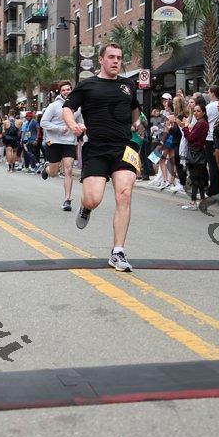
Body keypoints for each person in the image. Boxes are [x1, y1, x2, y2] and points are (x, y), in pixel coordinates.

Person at [62, 42, 141, 272]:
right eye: (111, 57)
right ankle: (85, 207)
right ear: (101, 59)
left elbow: (134, 108)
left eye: (119, 57)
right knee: (93, 199)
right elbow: (68, 108)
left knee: (124, 195)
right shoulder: (87, 85)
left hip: (123, 147)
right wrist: (73, 125)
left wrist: (138, 120)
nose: (116, 61)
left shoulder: (128, 85)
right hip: (96, 148)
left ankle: (118, 252)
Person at [40, 80, 83, 211]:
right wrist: (59, 128)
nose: (66, 92)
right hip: (54, 142)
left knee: (68, 169)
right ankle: (47, 169)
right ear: (60, 91)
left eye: (68, 89)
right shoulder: (54, 106)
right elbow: (43, 122)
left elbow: (80, 121)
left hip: (69, 142)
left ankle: (67, 200)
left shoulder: (77, 107)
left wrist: (81, 126)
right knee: (53, 172)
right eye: (63, 90)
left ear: (71, 90)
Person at [176, 103, 209, 210]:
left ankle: (193, 202)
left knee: (195, 178)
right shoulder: (201, 122)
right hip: (198, 152)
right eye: (194, 111)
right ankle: (200, 201)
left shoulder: (201, 123)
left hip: (196, 153)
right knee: (198, 178)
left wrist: (184, 127)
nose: (195, 113)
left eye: (198, 111)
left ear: (203, 112)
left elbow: (190, 137)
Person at [205, 85, 219, 197]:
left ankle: (214, 188)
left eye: (209, 92)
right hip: (218, 137)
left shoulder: (209, 106)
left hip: (210, 137)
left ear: (212, 93)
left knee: (212, 165)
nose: (208, 94)